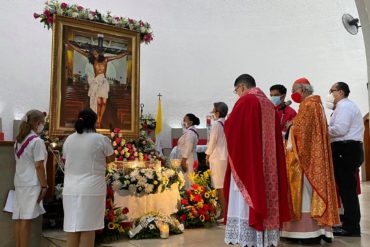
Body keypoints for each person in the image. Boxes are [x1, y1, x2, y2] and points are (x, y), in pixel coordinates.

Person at [224, 74, 291, 247]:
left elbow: (231, 127)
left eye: (236, 91)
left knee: (246, 198)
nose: (237, 94)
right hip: (269, 166)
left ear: (241, 87)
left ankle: (249, 239)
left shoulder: (246, 101)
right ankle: (265, 239)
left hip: (249, 164)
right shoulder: (268, 104)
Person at [281, 77, 340, 244]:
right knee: (308, 194)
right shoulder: (313, 105)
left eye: (294, 90)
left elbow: (302, 133)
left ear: (303, 89)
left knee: (305, 194)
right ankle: (313, 231)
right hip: (311, 156)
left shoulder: (309, 105)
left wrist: (290, 128)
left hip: (305, 161)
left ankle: (307, 233)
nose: (293, 94)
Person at [62, 108, 115, 247]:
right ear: (95, 122)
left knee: (72, 228)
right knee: (88, 228)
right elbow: (111, 159)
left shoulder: (69, 139)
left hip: (70, 189)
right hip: (91, 189)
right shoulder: (100, 139)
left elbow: (66, 158)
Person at [327, 82, 364, 236]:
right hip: (346, 149)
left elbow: (340, 129)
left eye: (332, 91)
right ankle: (348, 223)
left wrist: (322, 128)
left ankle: (351, 227)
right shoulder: (342, 107)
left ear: (340, 92)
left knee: (348, 190)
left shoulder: (345, 107)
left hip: (346, 149)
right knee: (345, 188)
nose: (330, 94)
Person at [66, 40, 129, 127]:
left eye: (96, 53)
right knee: (98, 102)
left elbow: (117, 57)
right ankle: (97, 119)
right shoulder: (92, 60)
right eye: (93, 54)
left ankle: (100, 118)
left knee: (104, 102)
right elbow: (80, 51)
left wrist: (126, 53)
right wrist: (70, 45)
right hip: (96, 81)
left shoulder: (106, 59)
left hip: (103, 81)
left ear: (99, 53)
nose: (95, 55)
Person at [13, 110, 48, 247]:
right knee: (26, 219)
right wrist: (44, 185)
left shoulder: (18, 140)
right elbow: (38, 165)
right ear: (37, 123)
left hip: (20, 181)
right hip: (32, 183)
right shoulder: (36, 141)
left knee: (19, 218)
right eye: (42, 124)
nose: (42, 126)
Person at [205, 102, 228, 220]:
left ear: (218, 113)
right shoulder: (227, 123)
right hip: (225, 157)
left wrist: (207, 155)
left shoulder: (216, 125)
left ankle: (224, 214)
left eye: (213, 110)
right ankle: (225, 212)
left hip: (218, 158)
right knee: (223, 186)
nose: (212, 113)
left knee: (219, 186)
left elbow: (212, 142)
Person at [175, 113, 200, 189]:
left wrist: (183, 160)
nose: (183, 121)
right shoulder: (189, 131)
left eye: (185, 119)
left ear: (191, 122)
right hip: (188, 159)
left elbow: (188, 147)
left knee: (188, 181)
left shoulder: (190, 133)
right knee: (186, 180)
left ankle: (188, 199)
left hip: (188, 160)